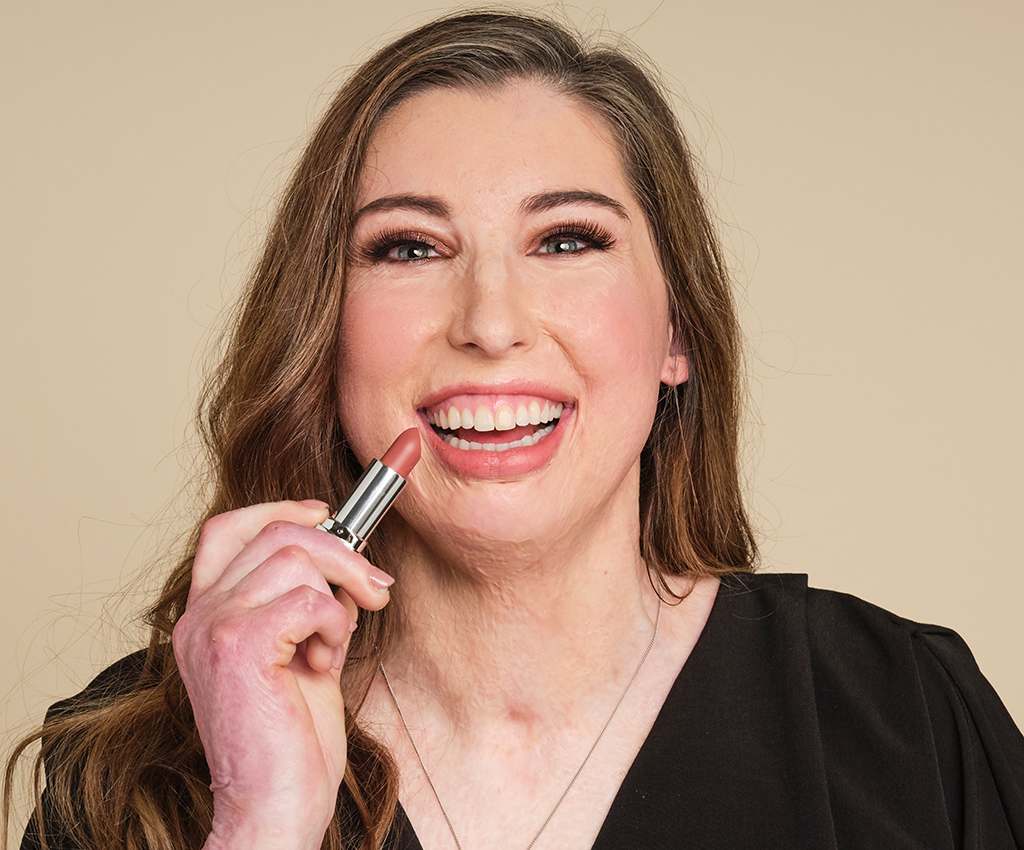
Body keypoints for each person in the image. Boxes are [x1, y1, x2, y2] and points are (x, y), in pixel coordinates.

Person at [7, 7, 1023, 850]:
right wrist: (261, 822)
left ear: (677, 330)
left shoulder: (908, 718)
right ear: (322, 334)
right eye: (407, 248)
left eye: (567, 239)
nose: (489, 323)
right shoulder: (129, 771)